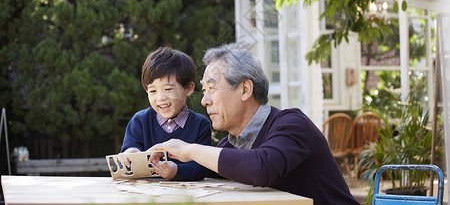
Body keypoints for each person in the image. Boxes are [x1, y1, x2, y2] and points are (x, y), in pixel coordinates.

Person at [149, 43, 359, 204]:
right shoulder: (231, 145)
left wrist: (190, 149)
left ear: (245, 90)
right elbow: (200, 172)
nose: (204, 101)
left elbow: (261, 167)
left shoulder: (292, 124)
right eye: (204, 92)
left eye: (212, 89)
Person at [118, 46, 211, 181]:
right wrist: (131, 154)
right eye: (153, 91)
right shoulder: (140, 121)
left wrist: (176, 171)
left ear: (188, 89)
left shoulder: (200, 124)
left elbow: (202, 167)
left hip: (188, 196)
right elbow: (129, 150)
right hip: (146, 194)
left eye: (168, 89)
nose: (160, 97)